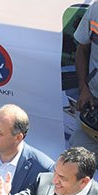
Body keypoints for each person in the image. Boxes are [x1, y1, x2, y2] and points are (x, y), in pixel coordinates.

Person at [70, 2, 98, 157]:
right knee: (74, 167)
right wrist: (84, 88)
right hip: (93, 106)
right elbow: (82, 50)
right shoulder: (96, 8)